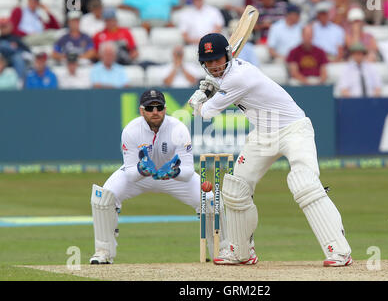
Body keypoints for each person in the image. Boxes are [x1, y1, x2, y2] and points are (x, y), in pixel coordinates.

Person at [188, 33, 353, 267]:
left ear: (228, 55)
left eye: (218, 59)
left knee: (304, 182)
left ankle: (339, 252)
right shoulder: (229, 77)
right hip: (263, 134)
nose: (214, 66)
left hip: (293, 129)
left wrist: (199, 100)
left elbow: (206, 113)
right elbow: (221, 86)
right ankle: (240, 252)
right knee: (236, 189)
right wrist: (213, 88)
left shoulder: (239, 77)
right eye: (209, 61)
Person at [89, 89, 228, 264]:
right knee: (104, 196)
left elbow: (187, 171)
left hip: (171, 177)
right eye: (149, 108)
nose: (155, 112)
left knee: (210, 199)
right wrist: (142, 169)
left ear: (165, 108)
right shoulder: (131, 130)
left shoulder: (178, 128)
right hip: (140, 177)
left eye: (159, 107)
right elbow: (130, 173)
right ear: (141, 110)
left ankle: (220, 251)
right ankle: (103, 252)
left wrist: (174, 171)